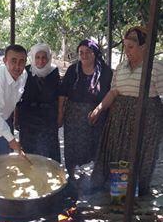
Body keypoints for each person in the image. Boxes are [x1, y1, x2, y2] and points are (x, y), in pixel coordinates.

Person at [89, 26, 163, 195]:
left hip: (145, 119)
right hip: (120, 118)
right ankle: (121, 194)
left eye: (131, 47)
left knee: (140, 155)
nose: (127, 50)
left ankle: (136, 194)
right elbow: (114, 91)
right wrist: (99, 109)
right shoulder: (121, 67)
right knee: (119, 153)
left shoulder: (156, 67)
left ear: (144, 47)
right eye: (125, 46)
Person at [58, 38, 112, 179]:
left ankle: (96, 178)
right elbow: (63, 93)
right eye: (81, 52)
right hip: (73, 116)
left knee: (96, 144)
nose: (84, 55)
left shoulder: (105, 72)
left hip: (97, 116)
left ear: (95, 53)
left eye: (88, 51)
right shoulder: (72, 70)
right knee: (72, 145)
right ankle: (70, 174)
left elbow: (110, 94)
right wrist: (60, 114)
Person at [16, 43, 61, 162]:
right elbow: (17, 96)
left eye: (44, 57)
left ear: (48, 58)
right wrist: (16, 118)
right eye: (37, 57)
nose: (41, 61)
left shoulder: (54, 72)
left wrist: (60, 116)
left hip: (48, 119)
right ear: (33, 57)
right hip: (28, 119)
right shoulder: (25, 72)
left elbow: (60, 96)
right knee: (29, 151)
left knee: (48, 151)